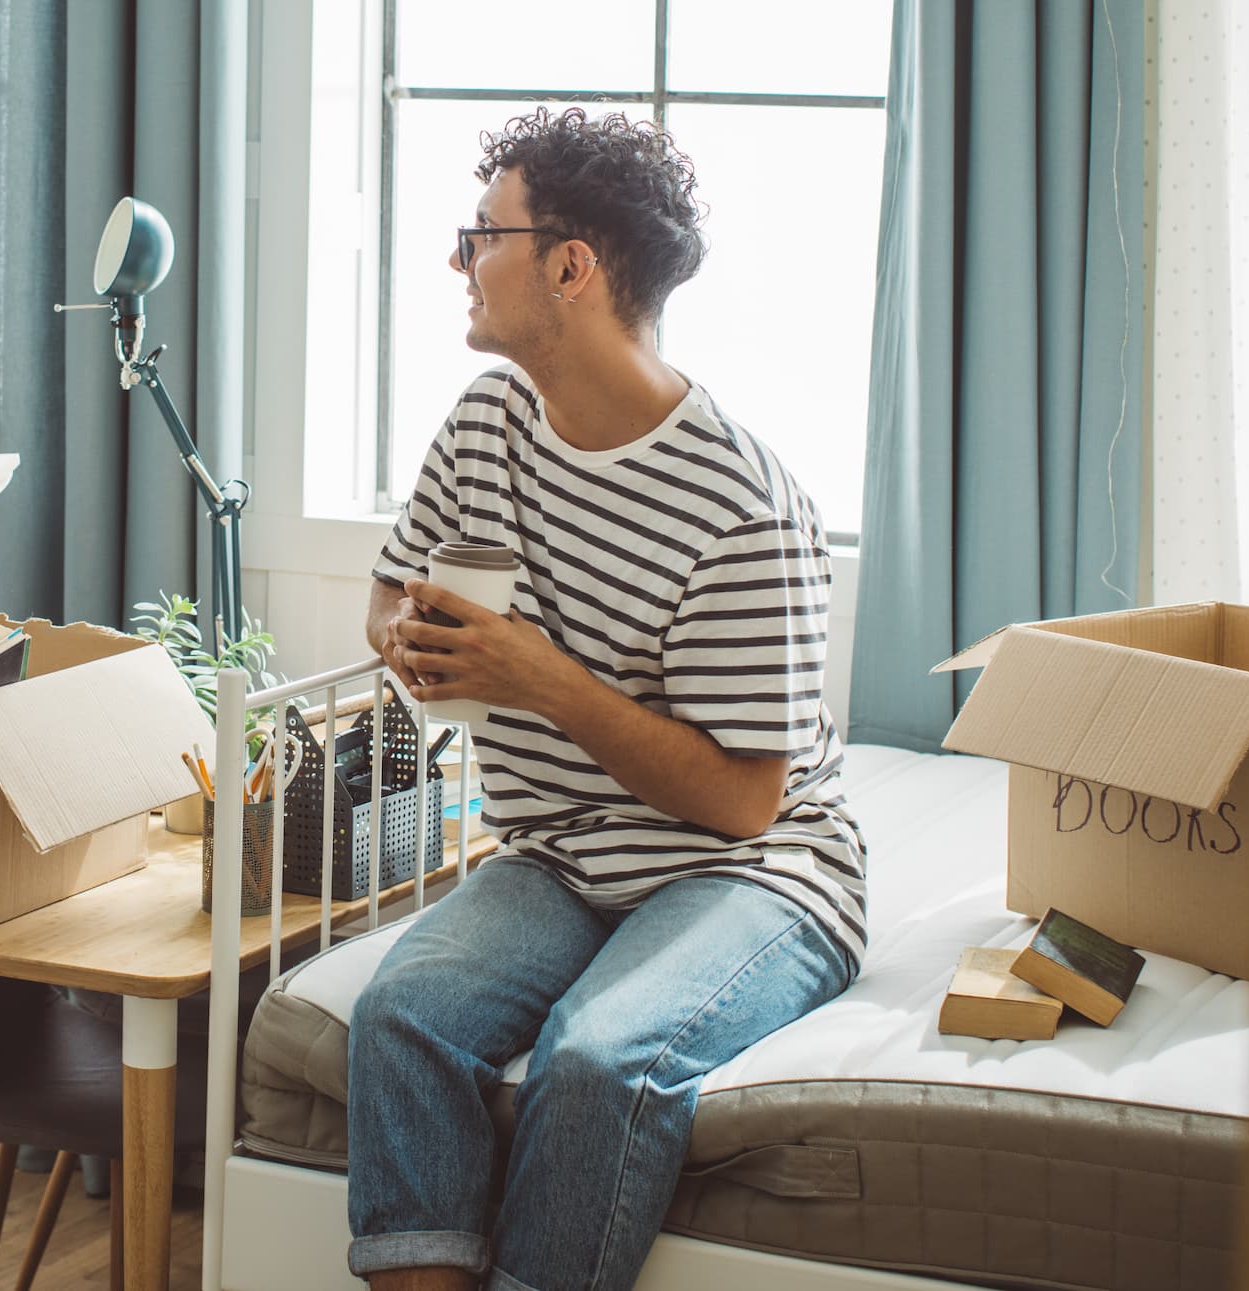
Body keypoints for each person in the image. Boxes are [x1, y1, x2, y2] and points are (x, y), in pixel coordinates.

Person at [348, 107, 866, 1291]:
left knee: (597, 1061)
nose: (456, 259)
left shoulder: (738, 501)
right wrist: (412, 643)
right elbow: (387, 592)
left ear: (568, 268)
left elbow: (744, 802)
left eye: (482, 234)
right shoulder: (487, 421)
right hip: (560, 853)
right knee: (401, 1017)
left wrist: (541, 680)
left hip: (755, 873)